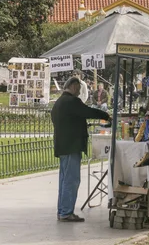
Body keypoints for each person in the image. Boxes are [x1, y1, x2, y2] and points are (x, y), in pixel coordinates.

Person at [51, 76, 110, 222]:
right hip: (71, 146)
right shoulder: (72, 101)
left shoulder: (59, 102)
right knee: (71, 180)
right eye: (78, 88)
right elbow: (87, 111)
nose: (79, 91)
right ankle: (66, 212)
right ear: (73, 86)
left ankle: (62, 210)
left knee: (64, 179)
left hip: (63, 146)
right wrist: (106, 116)